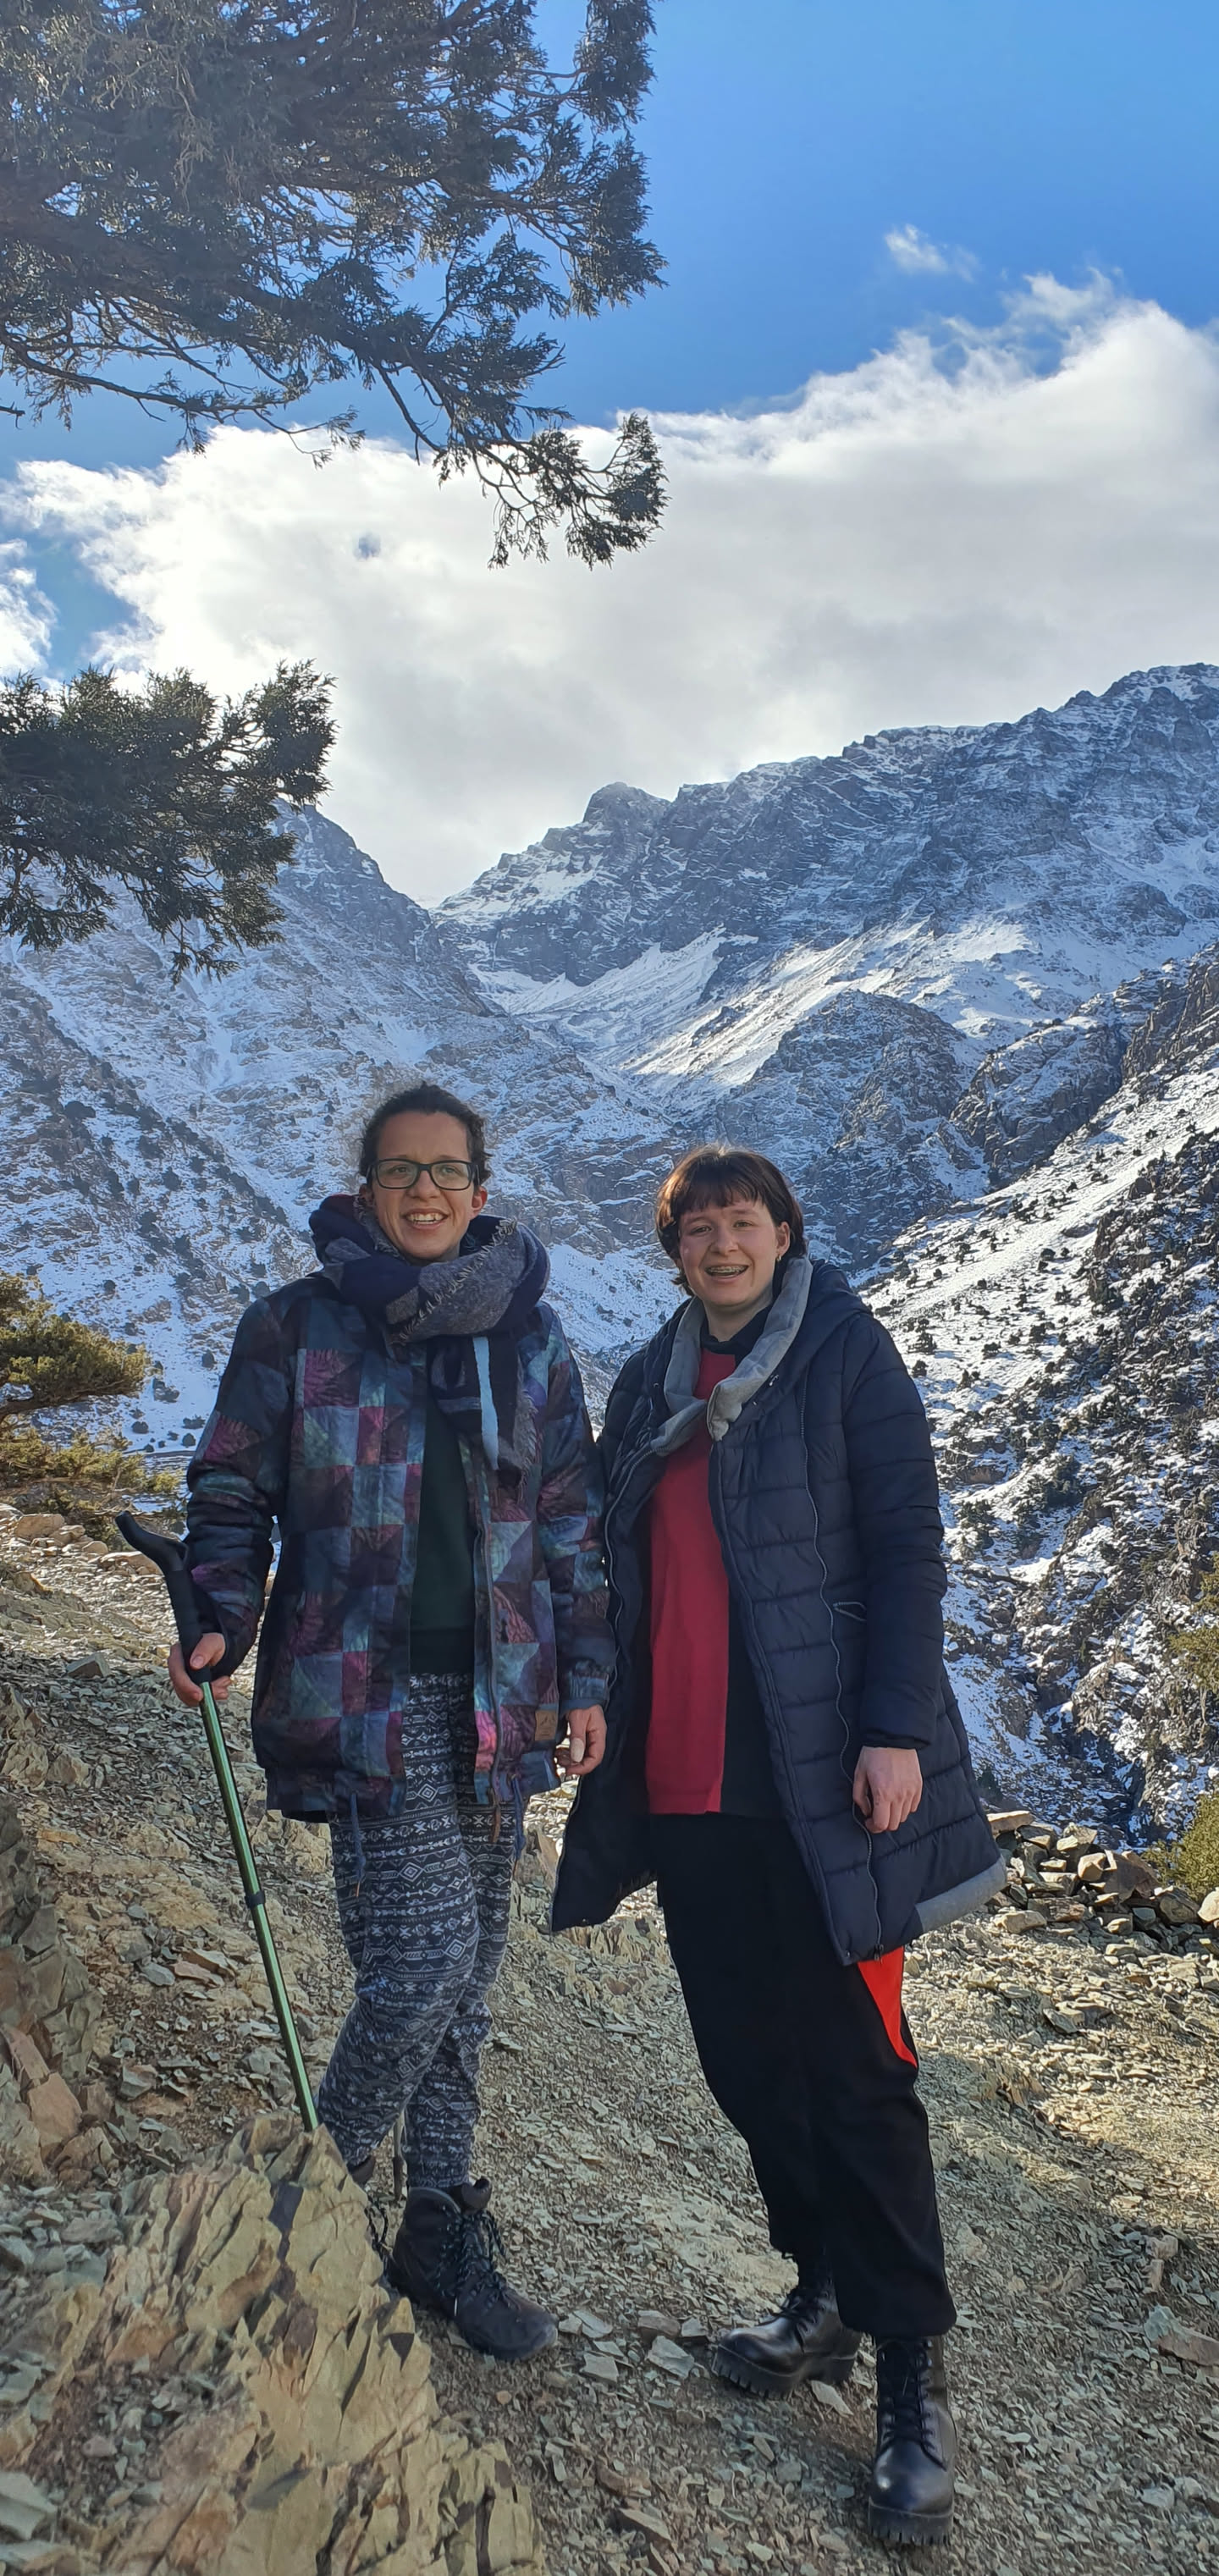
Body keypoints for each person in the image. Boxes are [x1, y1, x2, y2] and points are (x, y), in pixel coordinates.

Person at [553, 1145, 1002, 2546]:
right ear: (675, 1251)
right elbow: (598, 1549)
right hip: (687, 1777)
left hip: (820, 1782)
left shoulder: (843, 1353)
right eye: (696, 1228)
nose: (721, 1244)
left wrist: (894, 1731)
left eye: (741, 1221)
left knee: (858, 2073)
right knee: (748, 2061)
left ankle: (911, 2378)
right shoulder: (652, 1378)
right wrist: (584, 1689)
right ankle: (823, 2294)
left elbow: (908, 1543)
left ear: (785, 1232)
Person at [168, 1081, 610, 2359]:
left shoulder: (530, 1339)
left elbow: (570, 1521)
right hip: (360, 1695)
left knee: (468, 1983)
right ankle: (304, 2204)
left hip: (502, 1698)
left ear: (481, 1191)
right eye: (401, 1170)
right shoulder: (298, 1324)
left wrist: (587, 1678)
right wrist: (219, 1609)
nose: (425, 1190)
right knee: (418, 1973)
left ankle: (437, 2226)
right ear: (365, 1190)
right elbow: (232, 1490)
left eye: (446, 1170)